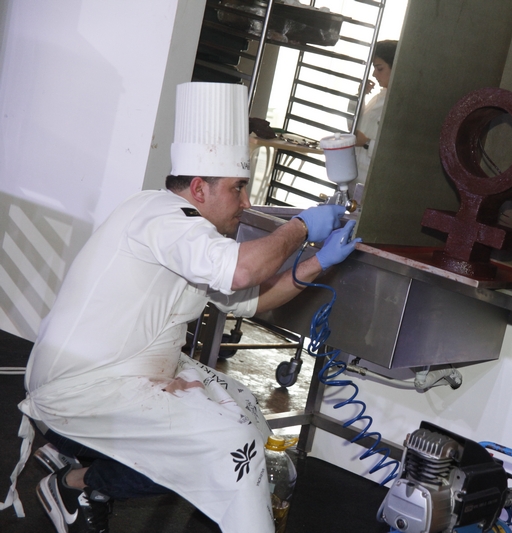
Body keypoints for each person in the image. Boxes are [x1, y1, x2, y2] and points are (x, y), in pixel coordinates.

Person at [2, 82, 360, 533]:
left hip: (132, 375)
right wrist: (301, 225)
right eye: (238, 189)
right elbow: (240, 274)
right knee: (221, 446)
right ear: (198, 188)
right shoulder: (163, 218)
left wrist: (319, 264)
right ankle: (78, 474)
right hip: (81, 386)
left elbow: (253, 299)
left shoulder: (188, 232)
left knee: (244, 412)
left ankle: (74, 473)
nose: (246, 203)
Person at [352, 40, 398, 193]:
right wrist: (359, 97)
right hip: (356, 177)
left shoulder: (398, 104)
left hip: (375, 183)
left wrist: (366, 143)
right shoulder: (378, 98)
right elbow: (355, 128)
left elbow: (396, 148)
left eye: (379, 68)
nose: (374, 74)